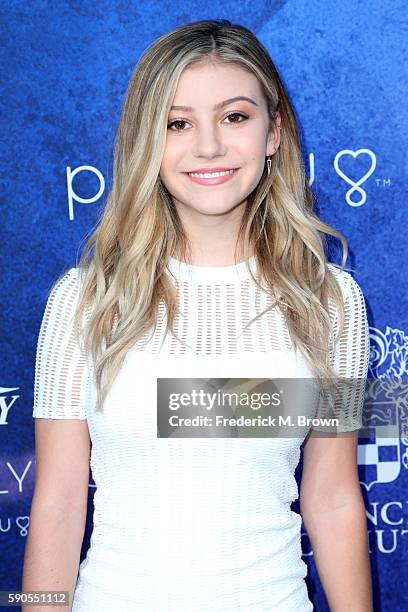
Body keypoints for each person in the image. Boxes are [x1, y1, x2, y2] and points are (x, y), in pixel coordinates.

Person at [22, 19, 373, 612]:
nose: (207, 146)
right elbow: (56, 504)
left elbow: (334, 496)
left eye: (234, 116)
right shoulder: (83, 300)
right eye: (177, 123)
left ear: (274, 133)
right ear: (145, 141)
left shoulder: (333, 301)